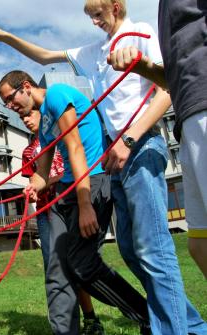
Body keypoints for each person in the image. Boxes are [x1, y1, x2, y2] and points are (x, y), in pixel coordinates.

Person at [0, 1, 206, 333]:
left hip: (137, 147)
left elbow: (167, 88)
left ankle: (173, 328)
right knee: (130, 250)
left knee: (150, 248)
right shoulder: (93, 53)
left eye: (98, 14)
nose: (95, 22)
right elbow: (44, 56)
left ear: (116, 6)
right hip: (116, 159)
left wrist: (129, 139)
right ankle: (191, 325)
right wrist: (4, 37)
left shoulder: (139, 33)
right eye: (90, 17)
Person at [0, 70, 150, 334]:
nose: (10, 107)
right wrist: (34, 185)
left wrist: (85, 204)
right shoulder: (45, 120)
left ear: (25, 87)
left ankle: (146, 314)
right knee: (61, 266)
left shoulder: (56, 95)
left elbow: (75, 146)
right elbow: (43, 173)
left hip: (90, 182)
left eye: (10, 99)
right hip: (67, 190)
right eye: (6, 104)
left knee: (84, 265)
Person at [107, 0, 207, 279]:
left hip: (203, 111)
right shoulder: (165, 8)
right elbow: (172, 81)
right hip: (187, 123)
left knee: (159, 248)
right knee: (199, 246)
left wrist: (130, 137)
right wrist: (143, 66)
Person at [20, 108, 104, 334]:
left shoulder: (61, 136)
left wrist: (47, 181)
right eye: (21, 118)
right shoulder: (29, 152)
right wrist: (33, 190)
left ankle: (91, 317)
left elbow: (72, 167)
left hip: (72, 205)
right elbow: (34, 179)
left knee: (79, 263)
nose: (26, 120)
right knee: (55, 268)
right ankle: (67, 324)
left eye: (29, 114)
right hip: (46, 213)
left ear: (42, 113)